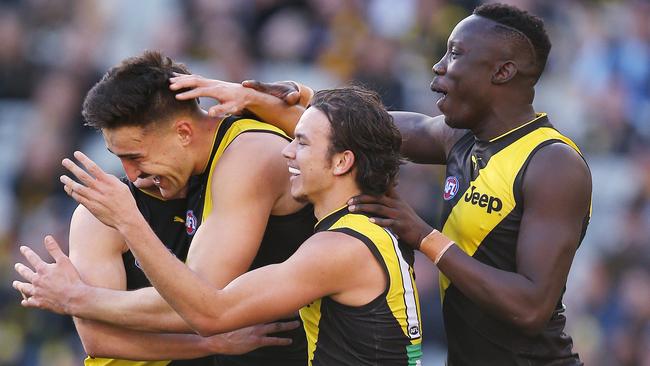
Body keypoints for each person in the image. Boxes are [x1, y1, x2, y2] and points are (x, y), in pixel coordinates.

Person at [163, 3, 592, 365]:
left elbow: (530, 307)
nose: (438, 66)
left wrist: (425, 237)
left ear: (502, 71)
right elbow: (368, 129)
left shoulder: (553, 164)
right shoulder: (462, 137)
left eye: (456, 54)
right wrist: (289, 97)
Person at [21, 86, 424, 365]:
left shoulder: (338, 250)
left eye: (301, 143)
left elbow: (211, 311)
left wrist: (79, 293)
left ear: (341, 162)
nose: (285, 150)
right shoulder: (353, 233)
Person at [12, 51, 315, 366]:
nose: (131, 174)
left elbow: (204, 305)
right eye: (119, 157)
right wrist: (209, 345)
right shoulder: (101, 210)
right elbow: (97, 339)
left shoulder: (249, 154)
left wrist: (77, 297)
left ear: (183, 133)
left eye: (136, 156)